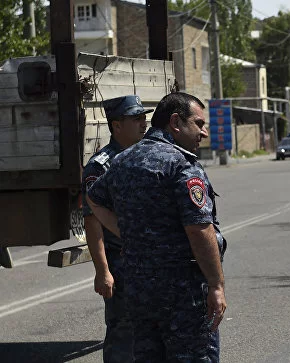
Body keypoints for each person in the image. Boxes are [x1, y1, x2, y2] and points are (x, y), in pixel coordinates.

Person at [87, 92, 227, 362]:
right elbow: (200, 230)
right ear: (176, 122)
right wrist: (216, 285)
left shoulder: (124, 160)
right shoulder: (181, 164)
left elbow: (94, 198)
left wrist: (131, 232)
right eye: (198, 124)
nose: (205, 132)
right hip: (184, 295)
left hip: (141, 292)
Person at [82, 95, 152, 362]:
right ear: (117, 125)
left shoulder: (145, 156)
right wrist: (103, 271)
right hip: (121, 261)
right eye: (135, 119)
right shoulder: (101, 167)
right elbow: (93, 221)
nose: (142, 123)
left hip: (149, 259)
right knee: (123, 331)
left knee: (149, 331)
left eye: (142, 117)